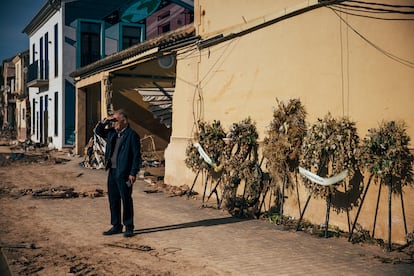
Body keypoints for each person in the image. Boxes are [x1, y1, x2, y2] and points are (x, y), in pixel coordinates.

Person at [95, 109, 141, 237]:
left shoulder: (132, 135)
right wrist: (105, 121)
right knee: (113, 199)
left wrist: (133, 172)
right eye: (113, 121)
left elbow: (136, 156)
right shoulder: (112, 133)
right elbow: (98, 131)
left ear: (124, 121)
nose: (114, 123)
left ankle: (129, 226)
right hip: (112, 171)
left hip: (125, 173)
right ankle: (116, 225)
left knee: (126, 199)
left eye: (116, 120)